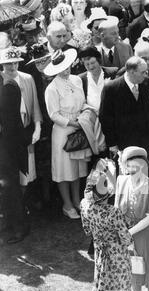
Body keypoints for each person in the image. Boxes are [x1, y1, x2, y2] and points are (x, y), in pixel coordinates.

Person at [81, 159, 133, 291]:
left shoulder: (85, 206)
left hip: (100, 256)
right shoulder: (114, 213)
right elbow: (126, 239)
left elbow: (87, 230)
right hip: (117, 257)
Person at [115, 147, 149, 291]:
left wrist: (129, 232)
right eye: (131, 167)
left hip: (144, 235)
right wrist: (121, 232)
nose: (136, 171)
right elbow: (116, 210)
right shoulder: (121, 181)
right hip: (124, 233)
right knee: (133, 270)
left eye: (140, 167)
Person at [45, 49, 88, 220]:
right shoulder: (52, 88)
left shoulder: (77, 80)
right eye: (62, 68)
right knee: (64, 170)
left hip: (79, 127)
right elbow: (53, 114)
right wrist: (72, 123)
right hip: (63, 131)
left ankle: (77, 201)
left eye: (68, 66)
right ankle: (67, 204)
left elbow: (83, 102)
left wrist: (85, 117)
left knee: (77, 168)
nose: (66, 70)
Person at [100, 57, 149, 157]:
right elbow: (105, 119)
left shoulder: (148, 82)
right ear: (131, 72)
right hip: (125, 145)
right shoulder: (111, 88)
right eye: (143, 72)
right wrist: (112, 144)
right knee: (132, 172)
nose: (145, 75)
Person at [0, 47, 42, 193]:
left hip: (25, 129)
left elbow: (35, 105)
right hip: (7, 134)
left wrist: (38, 128)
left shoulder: (27, 78)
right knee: (10, 172)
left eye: (15, 63)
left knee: (27, 171)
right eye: (8, 63)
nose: (12, 67)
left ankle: (24, 203)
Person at [0, 66, 29, 244]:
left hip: (7, 147)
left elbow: (9, 123)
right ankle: (7, 225)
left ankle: (19, 227)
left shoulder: (8, 86)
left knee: (10, 188)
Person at [78, 47, 119, 163]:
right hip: (93, 124)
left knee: (114, 156)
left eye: (92, 63)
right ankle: (101, 180)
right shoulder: (81, 79)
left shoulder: (113, 72)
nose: (90, 67)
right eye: (87, 64)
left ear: (99, 61)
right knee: (99, 159)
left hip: (112, 121)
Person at [25, 43, 53, 208]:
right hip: (40, 124)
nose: (42, 65)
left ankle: (54, 193)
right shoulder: (30, 79)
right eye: (38, 62)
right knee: (41, 160)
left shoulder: (57, 72)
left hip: (56, 122)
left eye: (45, 60)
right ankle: (44, 196)